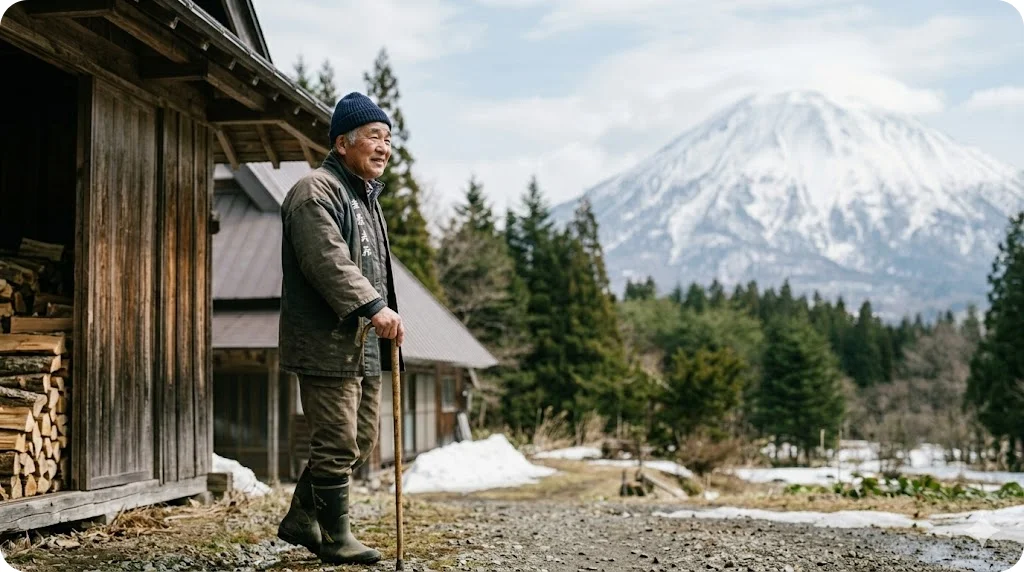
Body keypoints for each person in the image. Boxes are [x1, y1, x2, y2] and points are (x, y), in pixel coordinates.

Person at [275, 91, 405, 565]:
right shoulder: (315, 191)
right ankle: (334, 537)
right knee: (336, 440)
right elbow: (327, 260)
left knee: (362, 438)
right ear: (343, 142)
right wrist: (373, 306)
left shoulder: (366, 200)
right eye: (374, 136)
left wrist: (384, 310)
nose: (384, 147)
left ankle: (301, 518)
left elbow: (374, 270)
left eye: (388, 139)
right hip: (325, 339)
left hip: (363, 342)